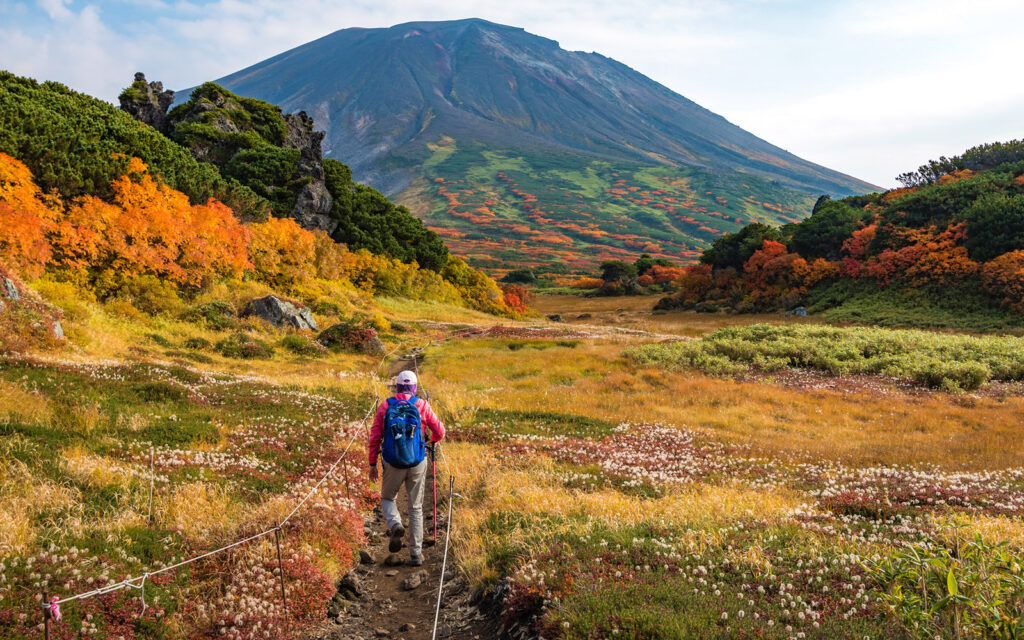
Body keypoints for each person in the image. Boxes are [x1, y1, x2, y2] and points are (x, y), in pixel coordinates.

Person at [367, 370, 445, 566]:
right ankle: (416, 554)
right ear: (415, 387)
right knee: (415, 507)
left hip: (392, 462)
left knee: (387, 498)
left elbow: (375, 436)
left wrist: (372, 464)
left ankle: (395, 524)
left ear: (397, 387)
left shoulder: (386, 406)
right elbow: (440, 431)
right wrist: (430, 441)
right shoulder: (421, 405)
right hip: (417, 461)